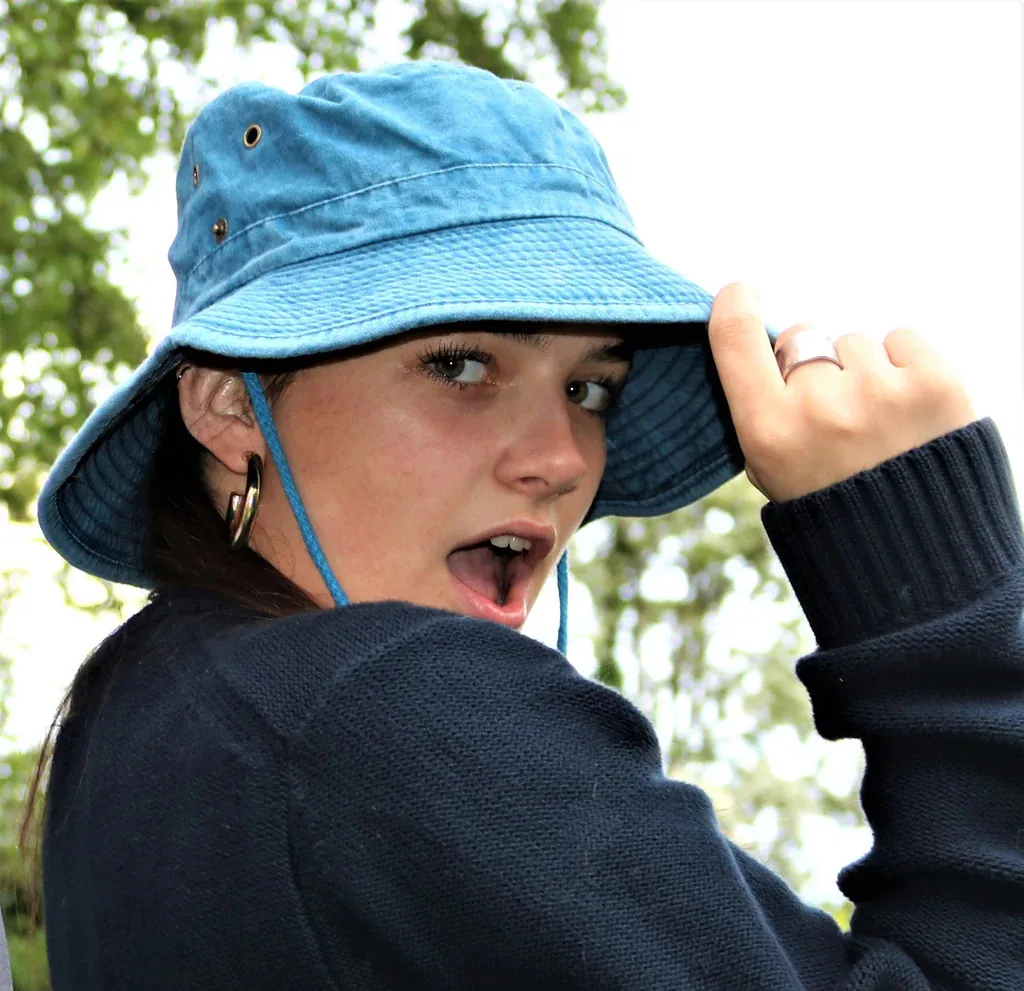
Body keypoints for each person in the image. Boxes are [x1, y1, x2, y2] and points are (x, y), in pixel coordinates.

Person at [26, 61, 1023, 989]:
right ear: (230, 408)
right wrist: (944, 613)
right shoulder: (387, 709)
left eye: (590, 386)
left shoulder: (136, 726)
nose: (561, 457)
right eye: (461, 366)